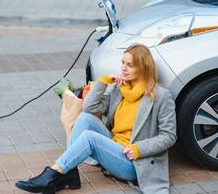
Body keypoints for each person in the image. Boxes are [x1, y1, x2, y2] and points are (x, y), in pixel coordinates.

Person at [15, 44, 177, 194]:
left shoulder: (160, 96)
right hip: (114, 147)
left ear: (143, 67)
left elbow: (169, 136)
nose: (123, 68)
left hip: (134, 162)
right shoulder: (119, 90)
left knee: (89, 138)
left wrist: (139, 148)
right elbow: (89, 108)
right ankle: (68, 172)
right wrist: (103, 81)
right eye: (123, 63)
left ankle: (53, 174)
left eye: (130, 65)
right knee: (85, 118)